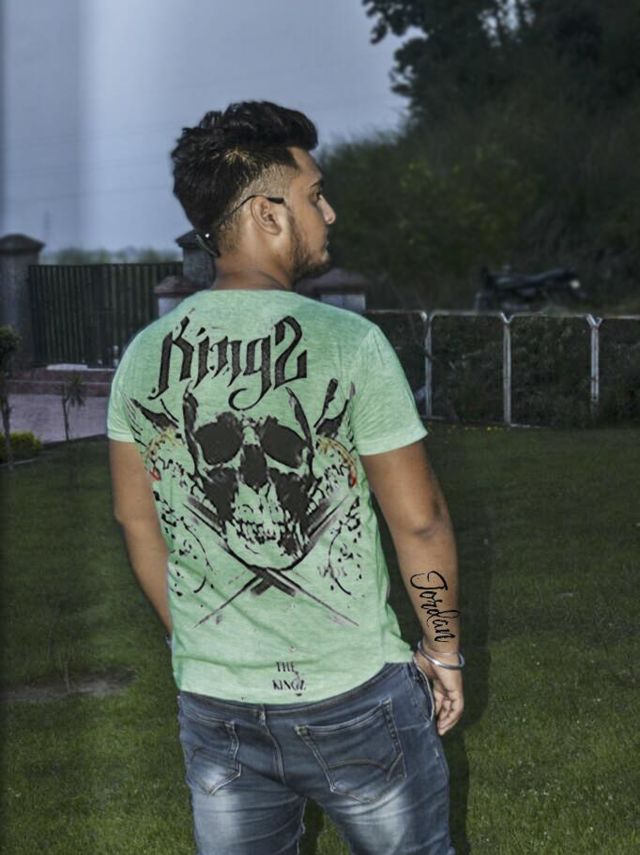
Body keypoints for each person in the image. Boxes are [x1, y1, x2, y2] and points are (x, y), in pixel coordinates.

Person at [107, 100, 463, 855]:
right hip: (356, 699)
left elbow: (137, 523)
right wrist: (443, 650)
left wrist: (201, 640)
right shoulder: (350, 343)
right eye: (315, 195)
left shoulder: (142, 357)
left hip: (216, 704)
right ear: (268, 213)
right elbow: (420, 519)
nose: (329, 214)